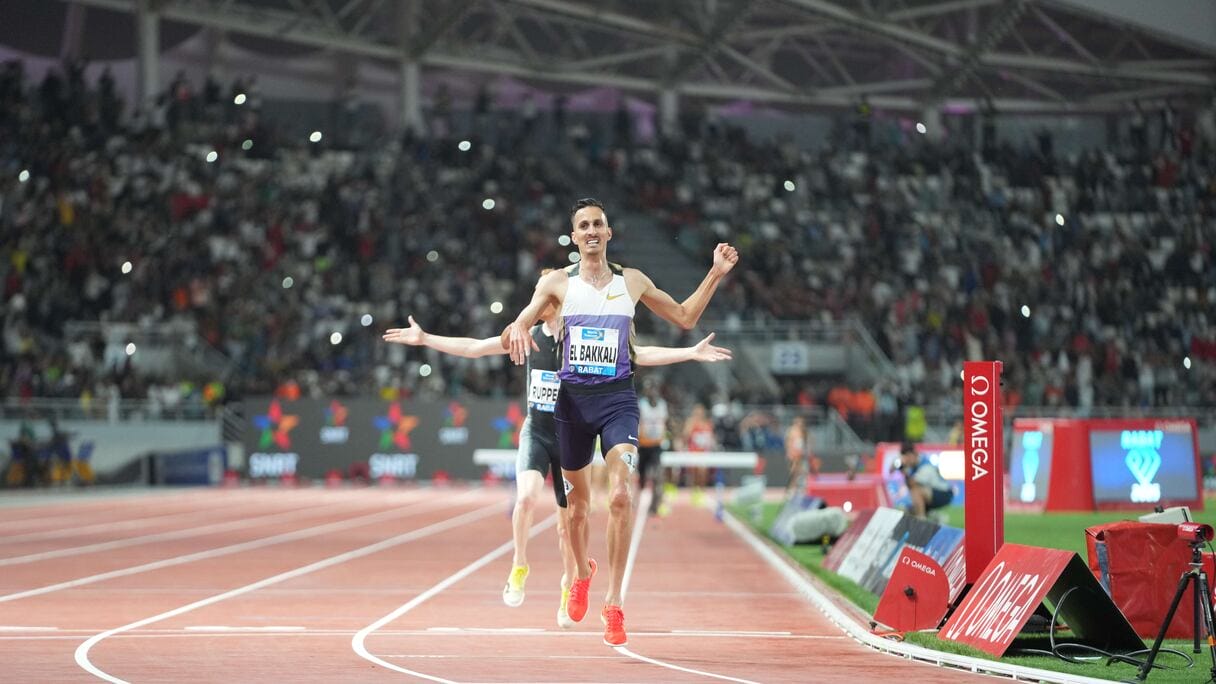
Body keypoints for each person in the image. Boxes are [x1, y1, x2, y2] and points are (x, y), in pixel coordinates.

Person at [383, 295, 730, 630]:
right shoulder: (526, 335)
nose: (540, 302)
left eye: (547, 296)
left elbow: (638, 353)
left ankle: (569, 585)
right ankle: (520, 564)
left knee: (569, 525)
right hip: (536, 431)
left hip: (569, 433)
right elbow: (475, 348)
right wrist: (425, 338)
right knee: (525, 498)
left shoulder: (578, 335)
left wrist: (689, 353)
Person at [504, 197, 738, 646]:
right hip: (572, 407)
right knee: (576, 511)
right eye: (584, 225)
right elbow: (525, 318)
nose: (592, 231)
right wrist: (516, 326)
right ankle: (582, 574)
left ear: (609, 233)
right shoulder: (556, 283)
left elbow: (685, 316)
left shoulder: (632, 281)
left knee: (618, 496)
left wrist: (714, 273)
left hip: (617, 402)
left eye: (599, 224)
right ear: (575, 237)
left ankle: (613, 604)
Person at [894, 441, 953, 519]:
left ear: (912, 455)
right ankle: (935, 516)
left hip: (943, 493)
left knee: (916, 491)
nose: (906, 460)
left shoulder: (925, 466)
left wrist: (903, 470)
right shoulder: (915, 465)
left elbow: (912, 484)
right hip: (931, 493)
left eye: (907, 457)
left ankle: (921, 519)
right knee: (907, 510)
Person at [636, 379, 668, 517]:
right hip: (643, 445)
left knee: (657, 475)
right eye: (649, 389)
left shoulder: (662, 405)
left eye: (654, 389)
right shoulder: (641, 405)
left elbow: (664, 422)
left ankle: (655, 505)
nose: (652, 392)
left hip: (656, 445)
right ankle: (640, 497)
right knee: (642, 476)